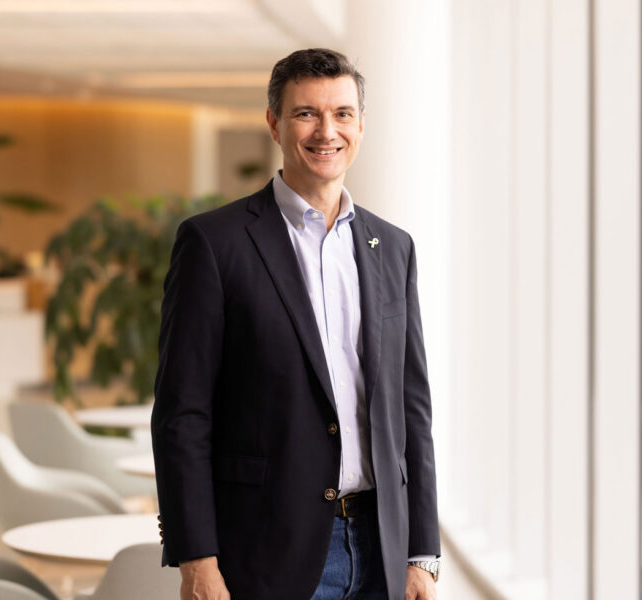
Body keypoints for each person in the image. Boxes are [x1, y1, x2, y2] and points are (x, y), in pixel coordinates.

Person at [151, 48, 440, 600]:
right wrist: (197, 558)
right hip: (265, 549)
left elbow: (412, 410)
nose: (326, 131)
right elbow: (182, 414)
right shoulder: (215, 243)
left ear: (360, 125)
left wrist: (422, 551)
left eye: (343, 114)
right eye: (306, 113)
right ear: (274, 124)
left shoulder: (393, 247)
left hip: (382, 545)